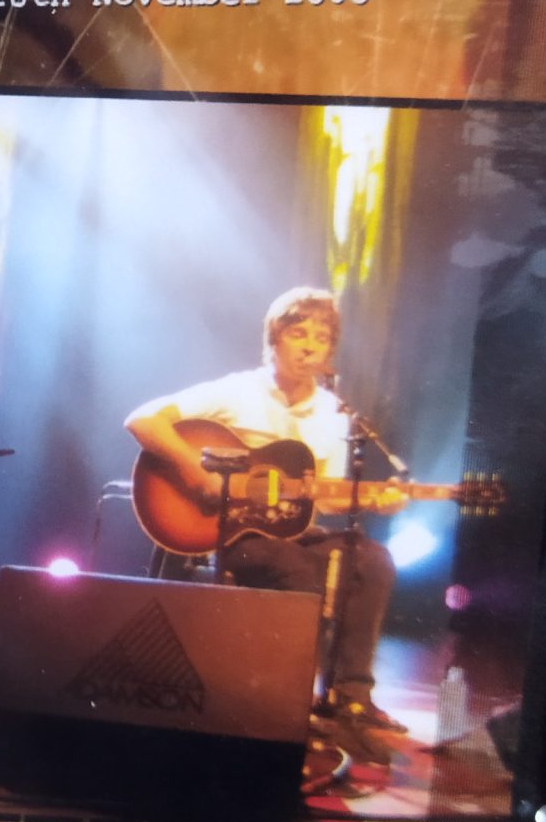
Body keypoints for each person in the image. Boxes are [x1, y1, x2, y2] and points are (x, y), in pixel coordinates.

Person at [124, 285, 402, 748]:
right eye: (298, 334)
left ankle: (350, 697)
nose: (310, 347)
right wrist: (198, 476)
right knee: (295, 569)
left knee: (373, 560)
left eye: (322, 338)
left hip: (293, 529)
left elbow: (326, 497)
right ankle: (284, 700)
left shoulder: (334, 413)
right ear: (274, 339)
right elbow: (143, 420)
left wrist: (372, 498)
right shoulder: (236, 391)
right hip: (233, 531)